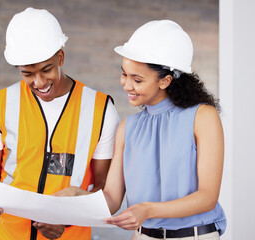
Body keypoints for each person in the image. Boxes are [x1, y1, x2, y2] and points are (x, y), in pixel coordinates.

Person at [57, 20, 226, 239]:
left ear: (165, 81)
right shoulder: (128, 127)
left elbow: (207, 197)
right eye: (124, 74)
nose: (126, 85)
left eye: (137, 79)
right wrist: (75, 195)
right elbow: (111, 199)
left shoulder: (203, 117)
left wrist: (147, 210)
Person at [0, 7, 119, 240]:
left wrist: (67, 222)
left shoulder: (101, 110)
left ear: (60, 57)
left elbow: (104, 190)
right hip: (6, 235)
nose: (39, 82)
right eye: (27, 74)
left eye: (46, 69)